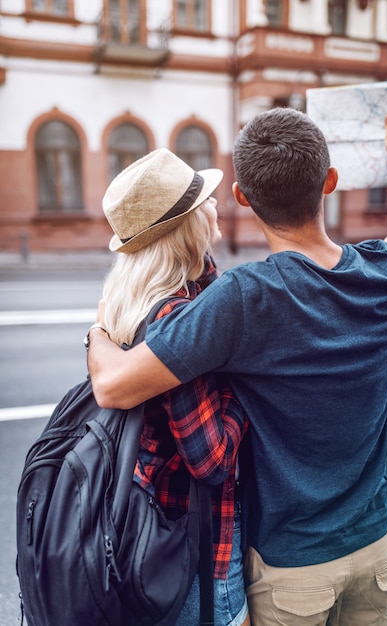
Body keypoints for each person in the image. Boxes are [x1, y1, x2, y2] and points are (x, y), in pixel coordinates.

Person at [88, 109, 387, 626]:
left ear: (242, 196)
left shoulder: (244, 298)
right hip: (377, 550)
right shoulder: (386, 271)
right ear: (330, 182)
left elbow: (111, 385)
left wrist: (98, 332)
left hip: (293, 571)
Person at [92, 148, 251, 626]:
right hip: (199, 553)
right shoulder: (178, 321)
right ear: (184, 225)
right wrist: (246, 396)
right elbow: (212, 460)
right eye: (202, 200)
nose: (215, 203)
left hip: (145, 538)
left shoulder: (127, 299)